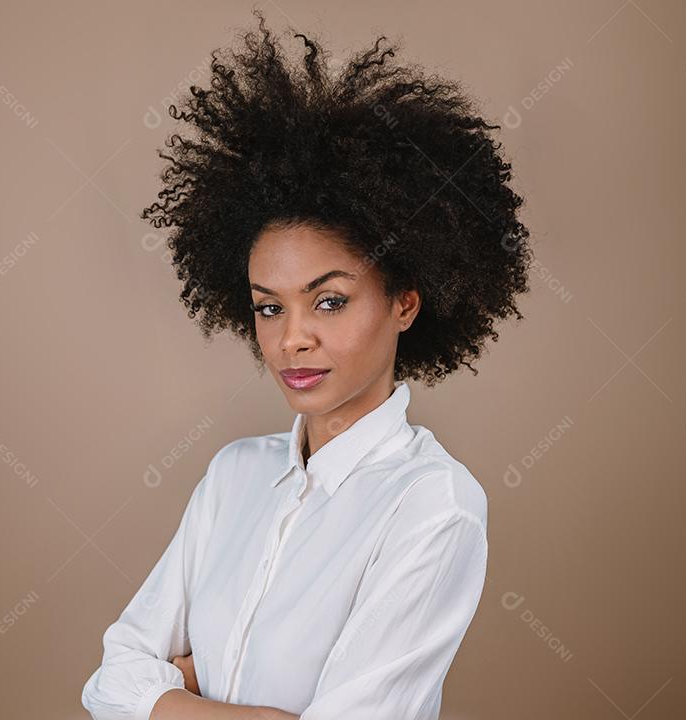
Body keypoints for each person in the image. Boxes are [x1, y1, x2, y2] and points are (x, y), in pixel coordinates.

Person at [81, 9, 531, 719]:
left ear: (406, 303)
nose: (292, 339)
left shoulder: (432, 507)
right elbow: (110, 680)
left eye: (329, 302)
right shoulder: (234, 478)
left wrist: (178, 690)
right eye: (268, 307)